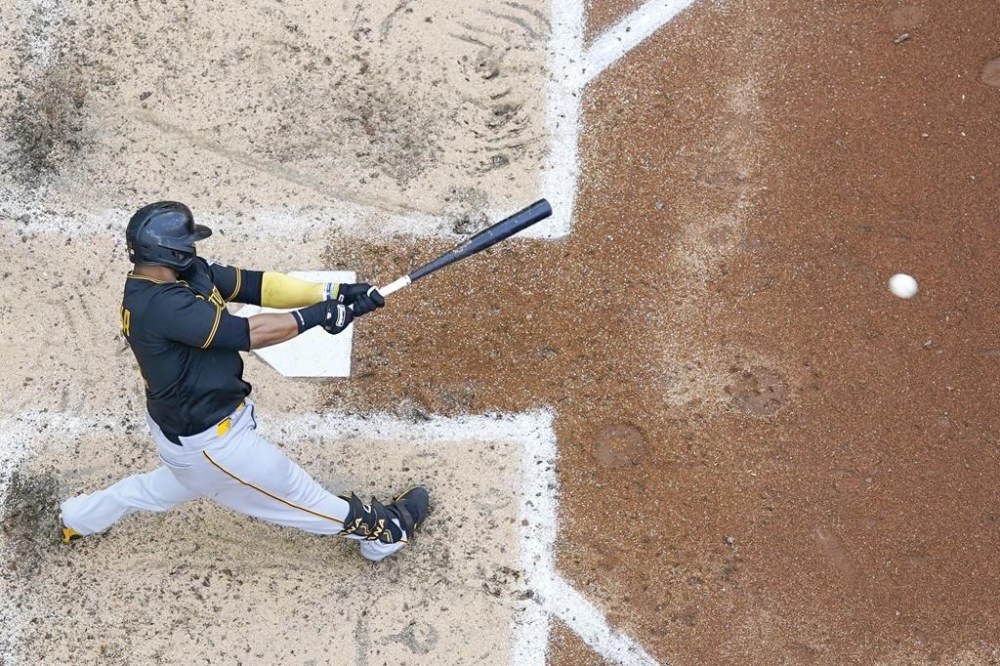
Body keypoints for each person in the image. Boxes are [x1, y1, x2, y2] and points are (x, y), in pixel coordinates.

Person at [59, 201, 429, 563]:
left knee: (163, 487)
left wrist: (332, 293)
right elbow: (247, 333)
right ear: (169, 251)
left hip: (186, 431)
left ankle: (78, 517)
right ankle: (385, 533)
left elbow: (255, 285)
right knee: (301, 498)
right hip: (212, 445)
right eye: (187, 244)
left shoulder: (180, 274)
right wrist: (318, 316)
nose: (193, 248)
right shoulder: (160, 306)